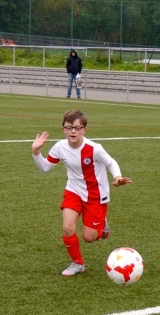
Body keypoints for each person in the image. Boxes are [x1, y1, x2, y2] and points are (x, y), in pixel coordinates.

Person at [31, 109, 132, 276]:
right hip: (73, 190)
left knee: (89, 237)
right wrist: (36, 151)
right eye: (69, 127)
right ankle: (78, 264)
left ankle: (102, 224)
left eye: (77, 128)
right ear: (63, 129)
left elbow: (111, 162)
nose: (73, 131)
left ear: (84, 130)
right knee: (67, 227)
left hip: (95, 194)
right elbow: (45, 168)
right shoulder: (59, 147)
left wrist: (118, 177)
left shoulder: (94, 148)